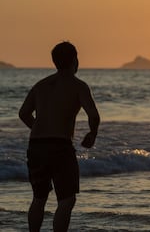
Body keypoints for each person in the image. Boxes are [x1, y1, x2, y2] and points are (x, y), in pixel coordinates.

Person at [19, 41, 100, 232]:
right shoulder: (79, 86)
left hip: (37, 145)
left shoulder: (41, 85)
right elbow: (93, 115)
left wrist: (38, 127)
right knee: (67, 199)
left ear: (54, 61)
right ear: (75, 60)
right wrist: (92, 133)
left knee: (39, 197)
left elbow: (23, 113)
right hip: (60, 146)